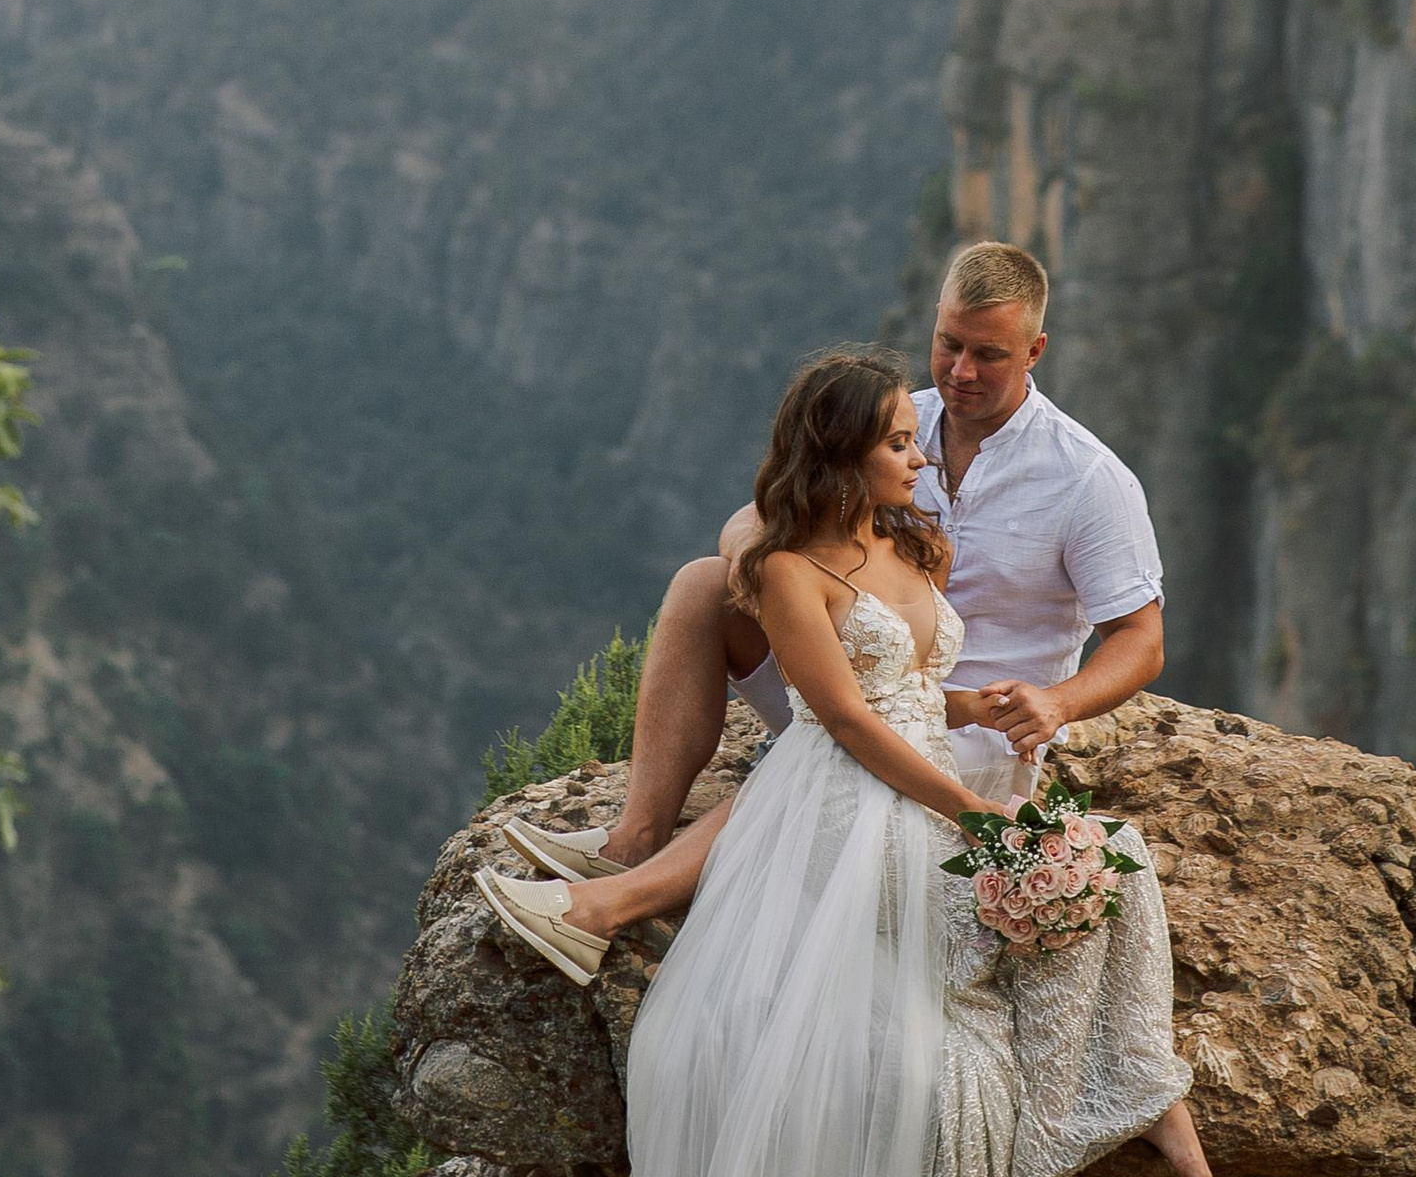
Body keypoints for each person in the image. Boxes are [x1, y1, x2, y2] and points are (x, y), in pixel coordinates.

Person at [478, 344, 1211, 1177]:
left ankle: (1146, 1098)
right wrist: (969, 813)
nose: (921, 453)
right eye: (899, 443)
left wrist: (988, 706)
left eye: (913, 438)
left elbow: (915, 688)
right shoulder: (791, 572)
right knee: (1021, 919)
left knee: (1111, 865)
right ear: (839, 454)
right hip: (851, 787)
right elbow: (849, 720)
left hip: (932, 753)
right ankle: (624, 865)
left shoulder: (926, 545)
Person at [488, 242, 1170, 920]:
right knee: (704, 584)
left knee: (825, 750)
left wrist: (1056, 704)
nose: (961, 371)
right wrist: (768, 574)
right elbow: (754, 516)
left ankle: (609, 907)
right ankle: (635, 839)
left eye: (988, 354)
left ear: (1034, 351)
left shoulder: (1088, 479)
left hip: (971, 724)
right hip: (843, 680)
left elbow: (1141, 641)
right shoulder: (896, 421)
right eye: (948, 344)